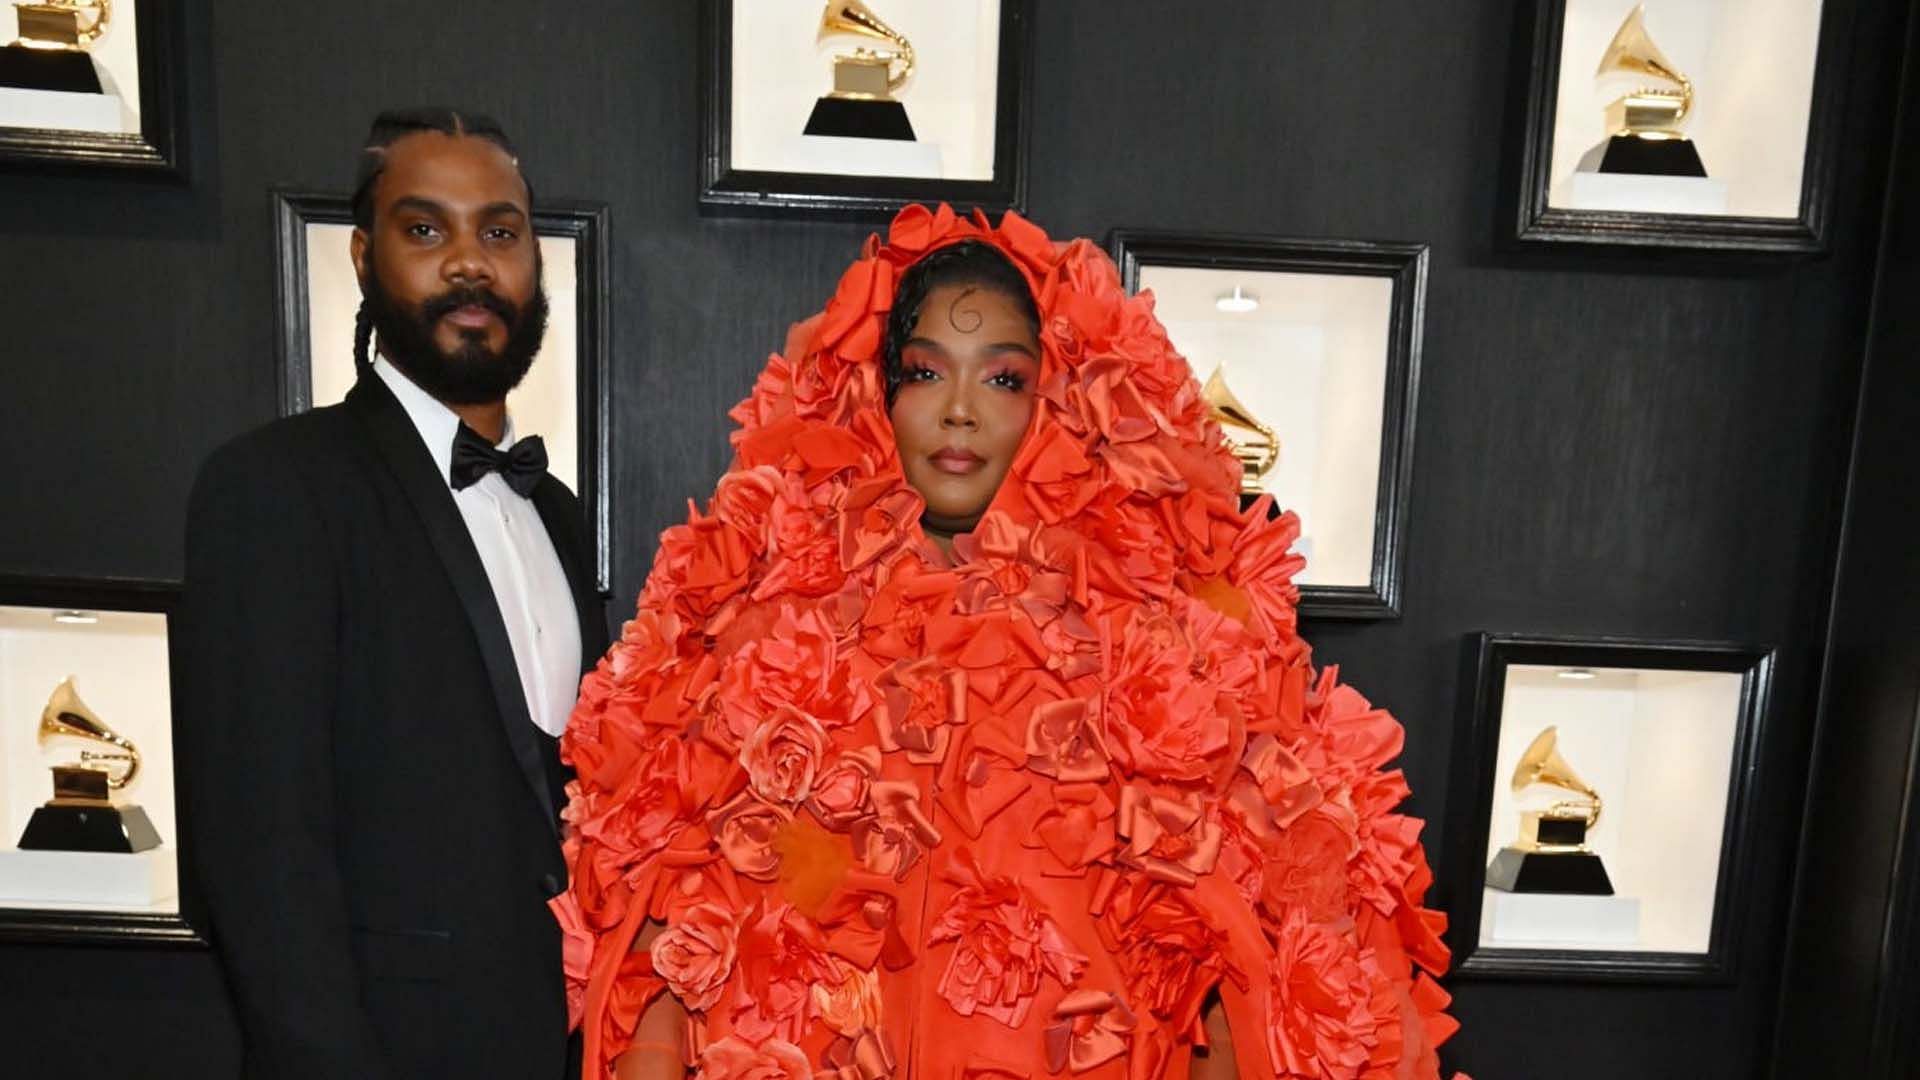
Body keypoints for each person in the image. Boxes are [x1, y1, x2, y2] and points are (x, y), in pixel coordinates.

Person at [554, 206, 1461, 1079]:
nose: (959, 412)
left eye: (1001, 378)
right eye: (924, 372)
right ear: (878, 393)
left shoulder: (1148, 651)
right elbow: (668, 952)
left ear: (1057, 401)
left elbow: (1246, 957)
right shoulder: (773, 641)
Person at [177, 107, 606, 1079]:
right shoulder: (277, 487)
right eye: (426, 230)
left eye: (499, 232)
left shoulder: (563, 518)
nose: (468, 263)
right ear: (364, 258)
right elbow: (260, 857)